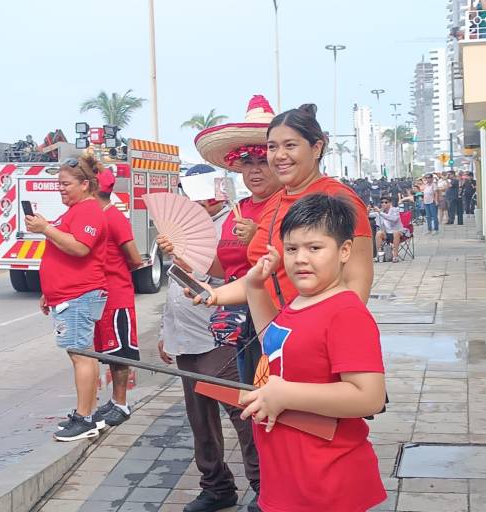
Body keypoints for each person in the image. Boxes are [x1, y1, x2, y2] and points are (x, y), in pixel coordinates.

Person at [240, 193, 387, 512]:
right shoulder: (301, 301)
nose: (300, 259)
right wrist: (254, 289)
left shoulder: (345, 312)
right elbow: (275, 344)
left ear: (344, 250)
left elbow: (369, 396)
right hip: (287, 478)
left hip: (326, 485)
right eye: (291, 249)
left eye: (314, 248)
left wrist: (286, 393)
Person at [200, 103, 374, 310]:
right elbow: (261, 279)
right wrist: (214, 294)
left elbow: (357, 283)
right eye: (272, 147)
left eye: (290, 145)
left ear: (316, 148)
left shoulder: (339, 199)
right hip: (274, 333)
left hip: (315, 332)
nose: (279, 155)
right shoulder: (275, 202)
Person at [158, 165, 260, 512]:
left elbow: (234, 278)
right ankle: (216, 486)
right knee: (200, 419)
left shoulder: (235, 226)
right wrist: (165, 330)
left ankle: (265, 486)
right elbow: (174, 284)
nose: (195, 201)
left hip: (221, 337)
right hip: (184, 336)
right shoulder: (181, 233)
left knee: (242, 413)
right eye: (189, 194)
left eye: (202, 193)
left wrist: (188, 261)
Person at [194, 95, 283, 386]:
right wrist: (186, 254)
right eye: (247, 162)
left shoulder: (287, 206)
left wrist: (258, 237)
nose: (255, 170)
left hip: (273, 317)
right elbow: (224, 268)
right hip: (236, 321)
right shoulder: (237, 210)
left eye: (263, 161)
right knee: (245, 397)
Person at [25, 154, 109, 442]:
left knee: (81, 355)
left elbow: (80, 248)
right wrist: (49, 292)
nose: (60, 189)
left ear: (85, 184)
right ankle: (89, 413)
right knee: (83, 354)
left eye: (66, 184)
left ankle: (84, 418)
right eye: (58, 184)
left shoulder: (88, 211)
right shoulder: (76, 210)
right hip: (69, 294)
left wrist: (46, 228)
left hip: (79, 294)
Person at [90, 167, 144, 427]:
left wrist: (116, 273)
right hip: (102, 295)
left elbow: (134, 258)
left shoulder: (114, 218)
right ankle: (114, 400)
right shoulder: (97, 216)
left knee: (120, 351)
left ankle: (121, 403)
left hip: (117, 295)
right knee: (109, 350)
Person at [373, 196, 404, 263]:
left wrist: (380, 213)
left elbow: (394, 219)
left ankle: (395, 256)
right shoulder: (380, 212)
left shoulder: (395, 210)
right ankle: (380, 255)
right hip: (387, 233)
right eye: (382, 202)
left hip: (399, 233)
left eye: (386, 202)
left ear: (390, 203)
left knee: (396, 232)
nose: (383, 204)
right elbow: (371, 215)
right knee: (379, 233)